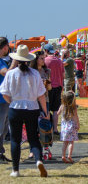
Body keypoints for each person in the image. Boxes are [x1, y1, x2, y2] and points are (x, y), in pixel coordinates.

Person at [0, 45, 48, 177]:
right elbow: (41, 95)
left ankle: (15, 170)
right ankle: (38, 160)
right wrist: (45, 111)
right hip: (32, 107)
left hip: (15, 107)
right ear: (28, 59)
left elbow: (4, 93)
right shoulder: (35, 74)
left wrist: (12, 102)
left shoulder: (11, 73)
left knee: (15, 140)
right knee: (33, 138)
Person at [30, 51, 52, 159]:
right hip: (34, 100)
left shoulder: (46, 71)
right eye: (41, 58)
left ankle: (46, 148)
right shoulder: (31, 72)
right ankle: (32, 149)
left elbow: (50, 88)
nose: (44, 60)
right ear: (36, 60)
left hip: (45, 99)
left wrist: (47, 83)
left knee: (45, 123)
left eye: (44, 58)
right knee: (33, 125)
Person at [0, 37, 15, 163]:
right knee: (1, 128)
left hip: (3, 100)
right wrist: (15, 62)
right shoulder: (0, 62)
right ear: (4, 47)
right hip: (1, 100)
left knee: (4, 129)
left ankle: (1, 153)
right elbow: (6, 73)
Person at [44, 43, 64, 134]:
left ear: (46, 51)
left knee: (47, 109)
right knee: (56, 110)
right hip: (58, 86)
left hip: (48, 87)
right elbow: (63, 74)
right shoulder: (59, 61)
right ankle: (55, 129)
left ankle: (48, 128)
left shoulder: (45, 61)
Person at [57, 91, 79, 164]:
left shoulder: (62, 106)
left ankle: (63, 155)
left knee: (65, 143)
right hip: (71, 126)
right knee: (71, 142)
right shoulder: (74, 107)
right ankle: (69, 155)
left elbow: (57, 113)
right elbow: (76, 117)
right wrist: (77, 124)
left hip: (64, 127)